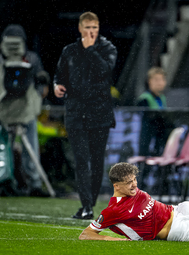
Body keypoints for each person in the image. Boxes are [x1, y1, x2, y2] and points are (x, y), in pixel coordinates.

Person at [54, 12, 117, 219]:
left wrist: (91, 51)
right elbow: (60, 76)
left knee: (97, 161)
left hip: (99, 114)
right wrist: (57, 86)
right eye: (88, 28)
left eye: (95, 28)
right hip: (75, 113)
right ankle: (87, 206)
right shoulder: (69, 51)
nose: (92, 32)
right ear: (80, 28)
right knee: (81, 159)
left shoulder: (107, 49)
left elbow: (105, 71)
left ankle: (88, 205)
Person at [0, 24, 50, 197]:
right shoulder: (29, 57)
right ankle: (19, 182)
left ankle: (32, 183)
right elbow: (42, 89)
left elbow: (41, 86)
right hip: (6, 109)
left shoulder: (31, 58)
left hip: (21, 109)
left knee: (27, 142)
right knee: (8, 144)